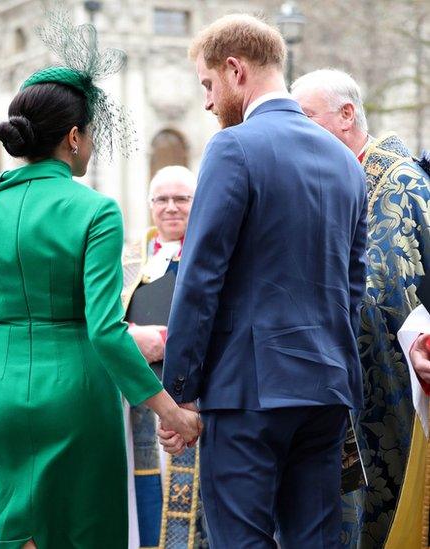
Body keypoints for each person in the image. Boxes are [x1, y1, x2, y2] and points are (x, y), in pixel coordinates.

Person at [0, 20, 201, 549]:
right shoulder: (96, 211)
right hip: (78, 399)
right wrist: (170, 411)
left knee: (8, 537)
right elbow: (105, 331)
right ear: (74, 137)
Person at [158, 14, 367, 549]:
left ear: (235, 70)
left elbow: (201, 278)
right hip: (326, 389)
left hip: (248, 389)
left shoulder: (234, 148)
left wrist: (179, 391)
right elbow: (352, 289)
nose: (207, 101)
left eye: (208, 84)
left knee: (241, 539)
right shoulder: (346, 163)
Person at [291, 68, 430, 549]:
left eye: (305, 117)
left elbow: (384, 297)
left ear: (346, 115)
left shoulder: (397, 185)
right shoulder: (339, 180)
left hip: (393, 398)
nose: (296, 131)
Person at [122, 166, 207, 548]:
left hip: (197, 403)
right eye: (162, 199)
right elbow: (99, 318)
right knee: (146, 492)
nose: (171, 208)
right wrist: (130, 336)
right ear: (150, 204)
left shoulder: (211, 252)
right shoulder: (128, 257)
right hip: (138, 404)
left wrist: (167, 340)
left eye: (182, 199)